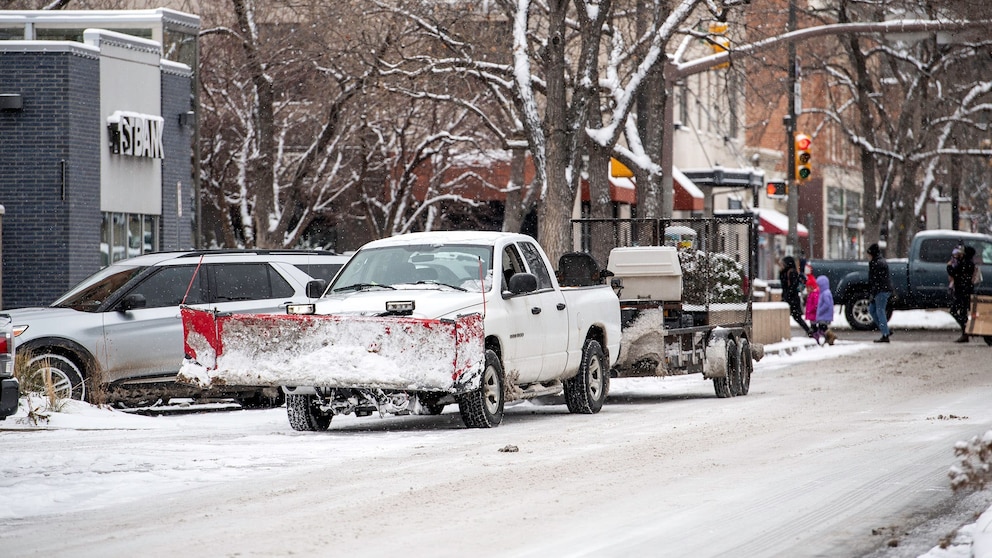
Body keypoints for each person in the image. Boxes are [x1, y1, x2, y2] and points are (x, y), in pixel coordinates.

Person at [947, 245, 976, 343]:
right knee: (963, 312)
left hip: (962, 292)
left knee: (954, 311)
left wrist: (949, 266)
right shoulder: (968, 263)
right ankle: (965, 333)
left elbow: (954, 273)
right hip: (965, 291)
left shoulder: (965, 263)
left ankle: (966, 330)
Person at [779, 256, 812, 336]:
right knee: (789, 317)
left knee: (796, 317)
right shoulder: (785, 272)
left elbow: (793, 286)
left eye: (783, 264)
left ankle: (809, 331)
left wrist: (788, 295)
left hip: (792, 299)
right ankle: (809, 331)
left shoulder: (791, 272)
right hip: (788, 298)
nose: (781, 265)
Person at [867, 243, 893, 343]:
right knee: (873, 310)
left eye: (869, 254)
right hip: (880, 290)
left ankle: (885, 334)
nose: (868, 257)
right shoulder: (879, 262)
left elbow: (876, 281)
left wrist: (873, 293)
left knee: (879, 311)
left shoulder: (876, 264)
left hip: (880, 291)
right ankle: (885, 330)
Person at [814, 275, 837, 345]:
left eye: (819, 286)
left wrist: (820, 310)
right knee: (823, 328)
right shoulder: (825, 292)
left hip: (824, 315)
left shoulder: (825, 293)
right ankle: (828, 338)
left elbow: (827, 304)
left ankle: (830, 336)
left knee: (822, 328)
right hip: (825, 315)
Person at [805, 273, 820, 342]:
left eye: (808, 287)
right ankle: (815, 337)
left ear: (812, 287)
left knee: (814, 327)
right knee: (813, 327)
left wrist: (811, 309)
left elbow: (815, 304)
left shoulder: (814, 294)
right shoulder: (811, 294)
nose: (807, 289)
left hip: (813, 314)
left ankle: (816, 338)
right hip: (812, 314)